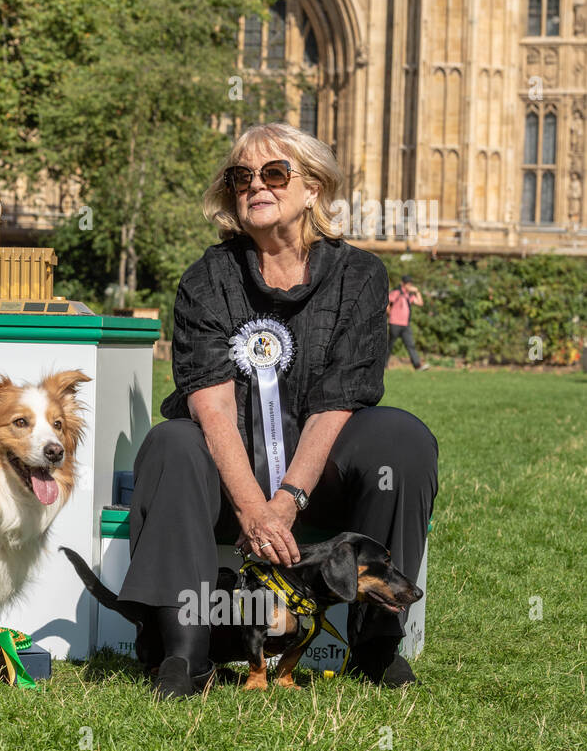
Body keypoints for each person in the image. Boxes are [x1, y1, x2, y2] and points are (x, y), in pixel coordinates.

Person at [119, 123, 437, 699]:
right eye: (242, 177)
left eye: (273, 173)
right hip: (226, 476)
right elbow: (211, 408)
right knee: (171, 442)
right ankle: (183, 651)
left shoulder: (361, 275)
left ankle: (375, 641)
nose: (255, 186)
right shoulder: (206, 279)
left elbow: (339, 399)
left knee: (402, 440)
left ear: (313, 187)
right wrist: (253, 509)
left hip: (320, 475)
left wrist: (287, 502)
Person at [387, 275, 428, 370]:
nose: (409, 286)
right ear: (403, 284)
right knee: (390, 345)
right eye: (408, 284)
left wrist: (417, 292)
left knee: (410, 345)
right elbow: (387, 302)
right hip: (395, 323)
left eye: (410, 284)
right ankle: (383, 365)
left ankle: (417, 365)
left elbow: (420, 303)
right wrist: (390, 313)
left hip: (405, 325)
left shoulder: (409, 295)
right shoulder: (396, 292)